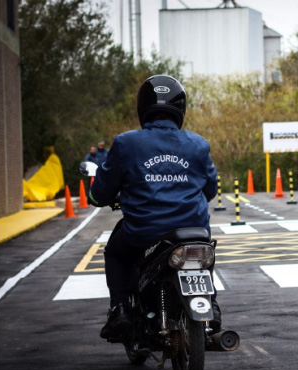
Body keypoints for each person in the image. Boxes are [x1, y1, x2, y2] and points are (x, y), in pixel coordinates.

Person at [88, 75, 219, 339]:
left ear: (143, 107)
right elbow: (211, 190)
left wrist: (99, 194)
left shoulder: (126, 143)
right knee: (202, 256)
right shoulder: (198, 144)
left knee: (115, 252)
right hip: (193, 231)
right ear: (180, 109)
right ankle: (212, 305)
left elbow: (102, 193)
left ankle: (121, 309)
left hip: (143, 231)